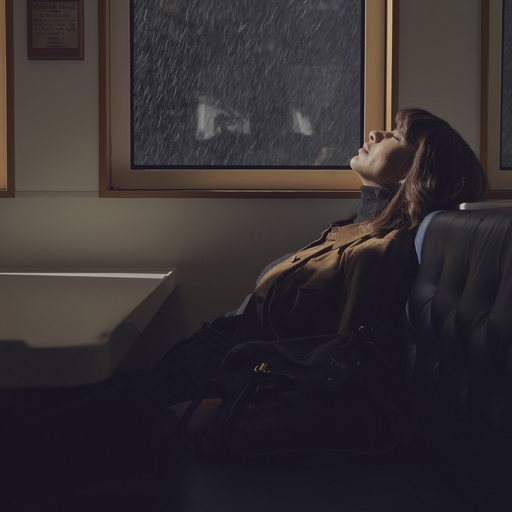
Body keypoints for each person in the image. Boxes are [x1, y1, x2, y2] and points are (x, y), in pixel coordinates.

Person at [7, 108, 488, 498]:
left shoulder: (380, 254)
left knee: (39, 439)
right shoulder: (353, 231)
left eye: (394, 134)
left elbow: (340, 366)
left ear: (414, 170)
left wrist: (219, 406)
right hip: (202, 360)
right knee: (37, 411)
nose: (375, 131)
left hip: (220, 381)